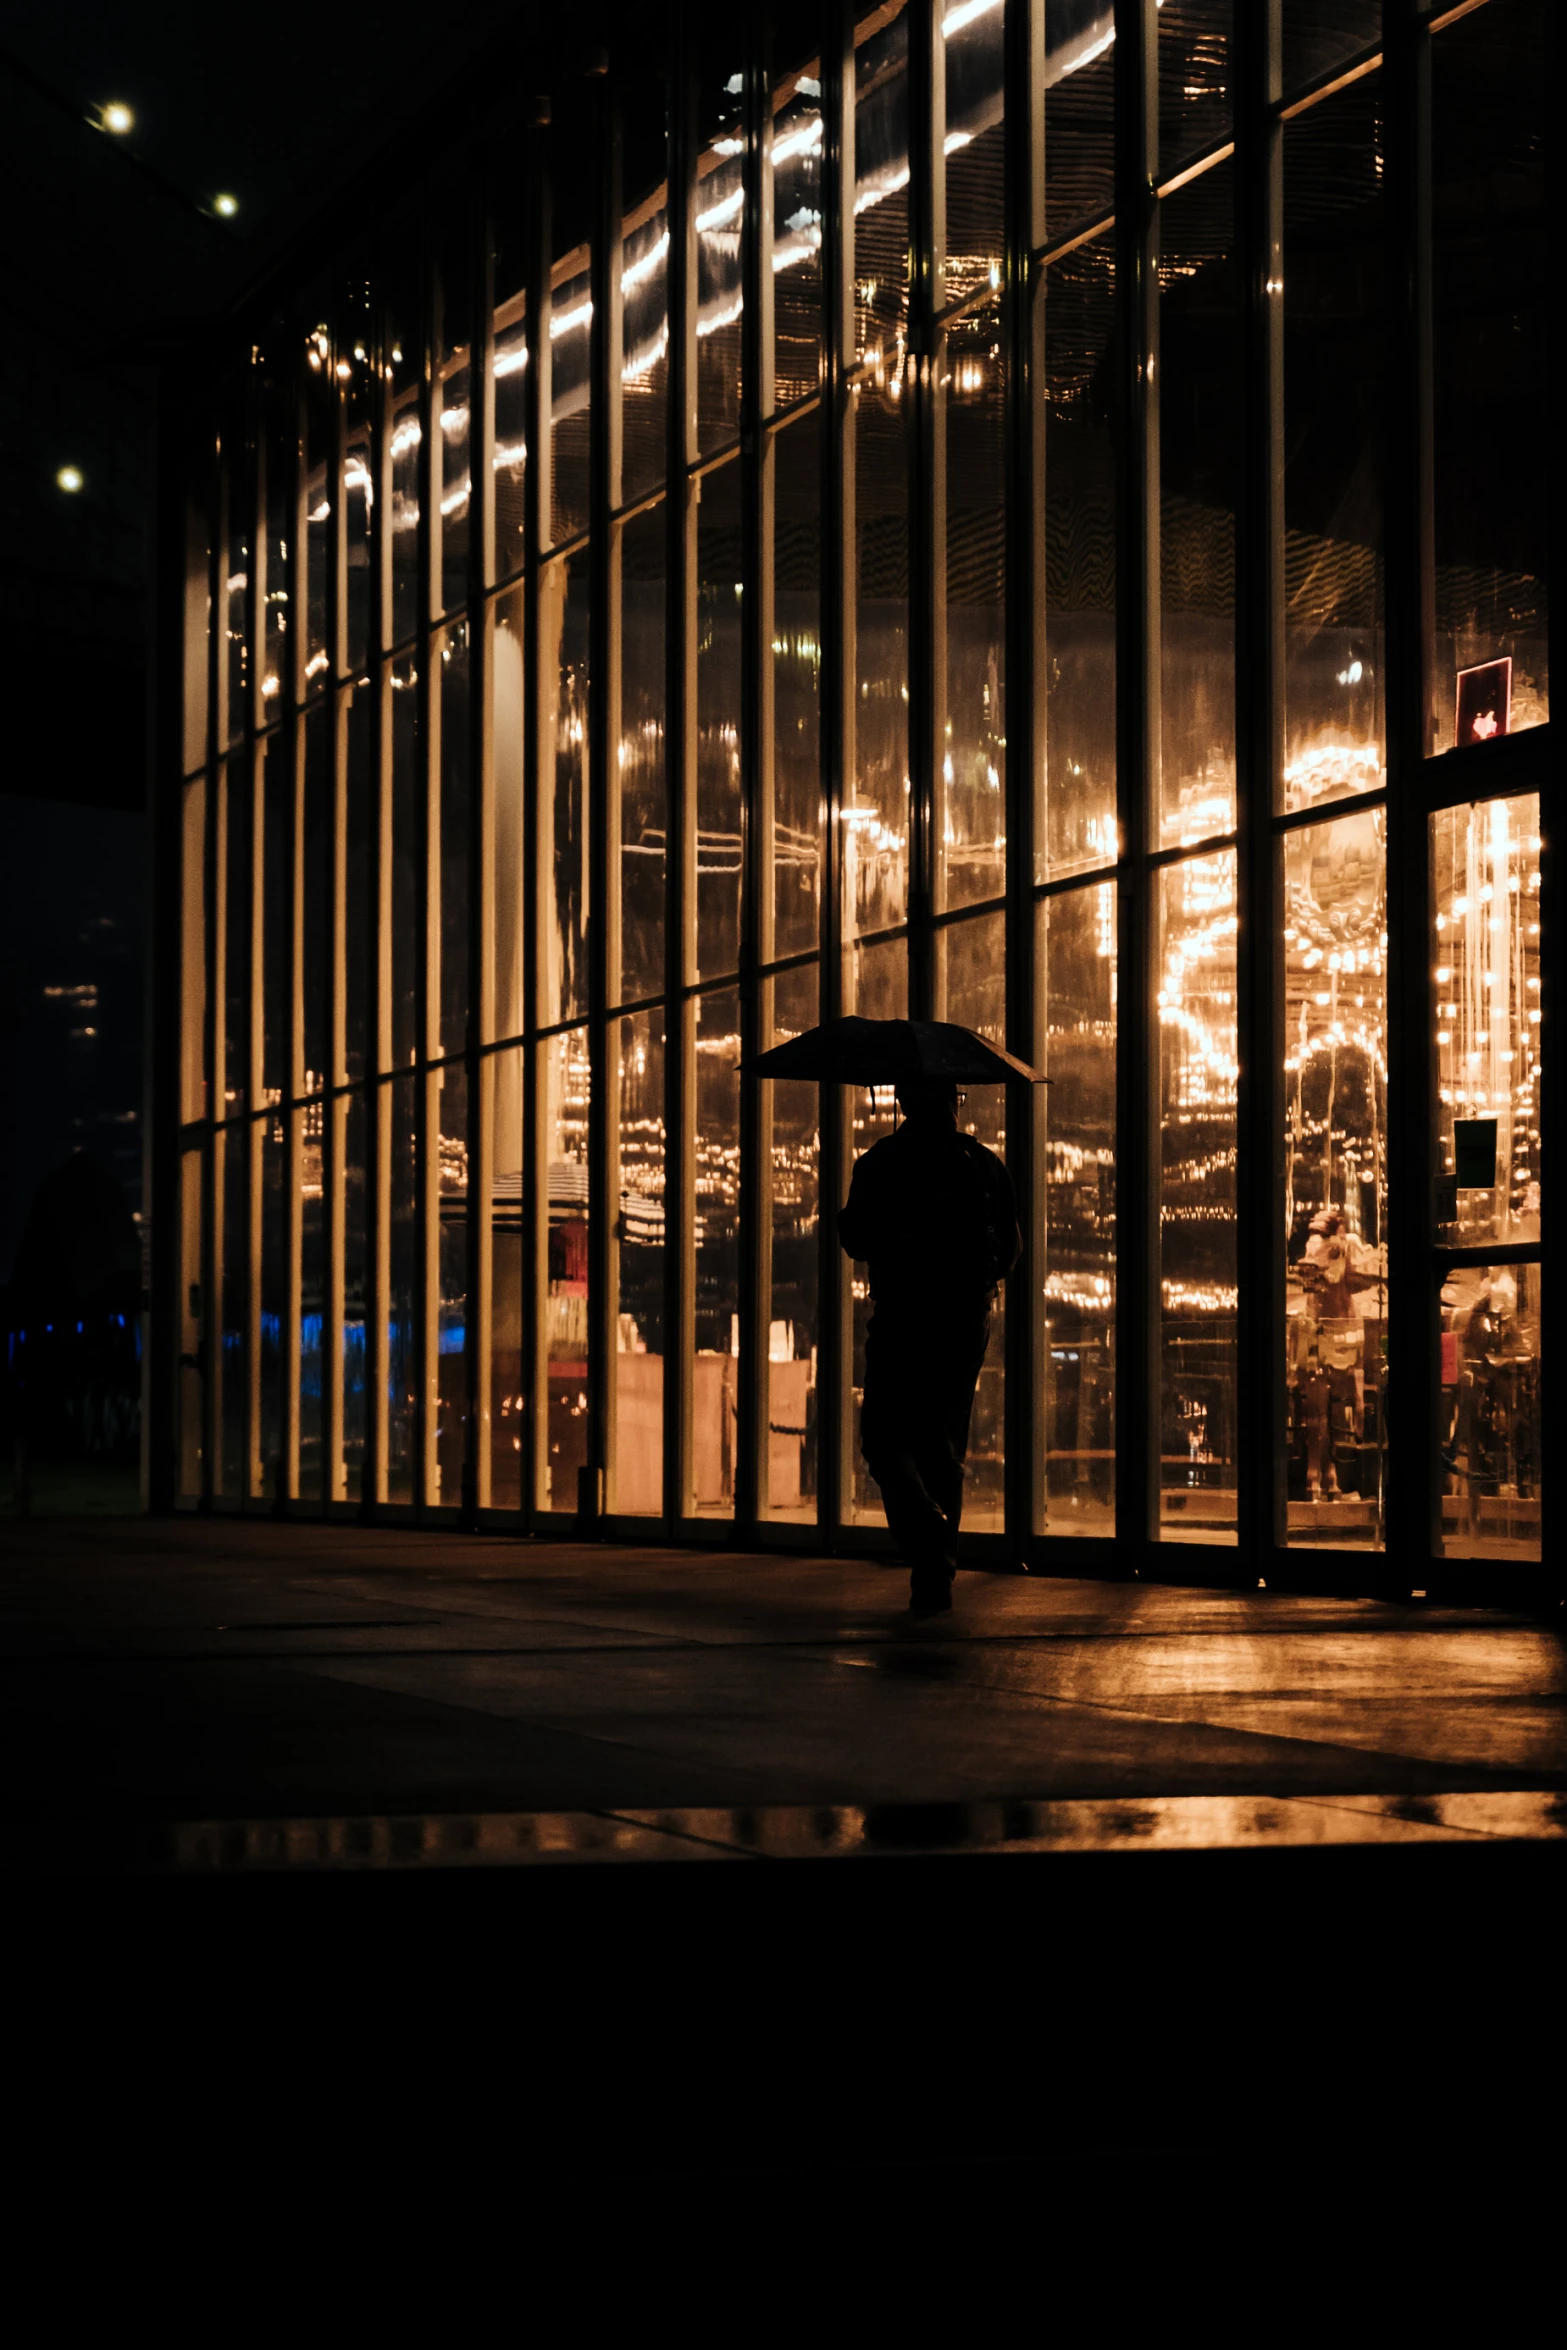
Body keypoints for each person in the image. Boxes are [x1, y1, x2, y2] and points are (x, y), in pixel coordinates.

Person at [838, 1076, 1021, 1614]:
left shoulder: (882, 1162)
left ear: (902, 1101)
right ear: (953, 1103)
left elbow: (857, 1239)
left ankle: (923, 1524)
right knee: (944, 1446)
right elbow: (1008, 1249)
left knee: (883, 1437)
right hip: (964, 1319)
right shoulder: (982, 1164)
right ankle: (934, 1578)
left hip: (902, 1317)